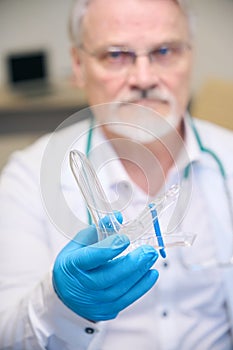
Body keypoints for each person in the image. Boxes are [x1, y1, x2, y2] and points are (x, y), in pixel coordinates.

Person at [0, 0, 233, 349]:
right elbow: (8, 336)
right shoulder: (27, 178)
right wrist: (62, 305)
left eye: (164, 51)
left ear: (190, 57)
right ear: (78, 65)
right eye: (116, 55)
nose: (143, 78)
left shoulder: (228, 159)